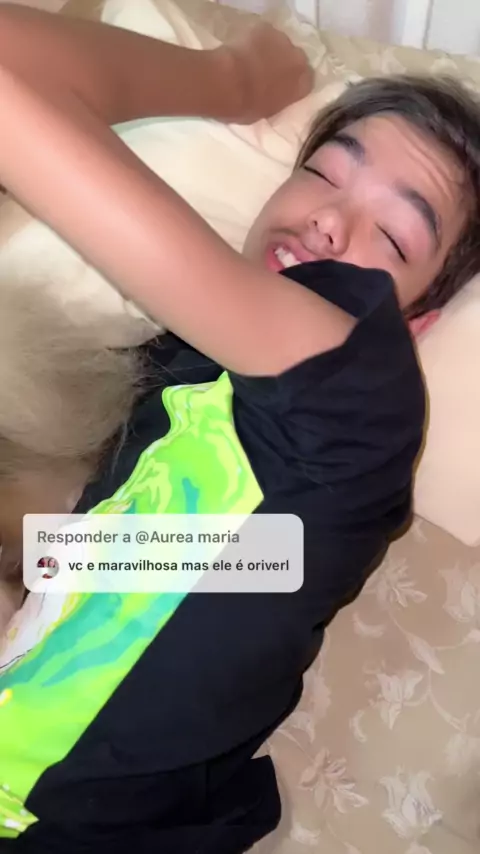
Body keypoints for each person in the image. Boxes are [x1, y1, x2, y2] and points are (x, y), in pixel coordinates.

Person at [0, 4, 478, 852]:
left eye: (396, 237)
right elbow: (150, 567)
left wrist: (235, 79)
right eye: (323, 173)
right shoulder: (184, 369)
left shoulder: (360, 398)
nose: (330, 221)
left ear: (413, 325)